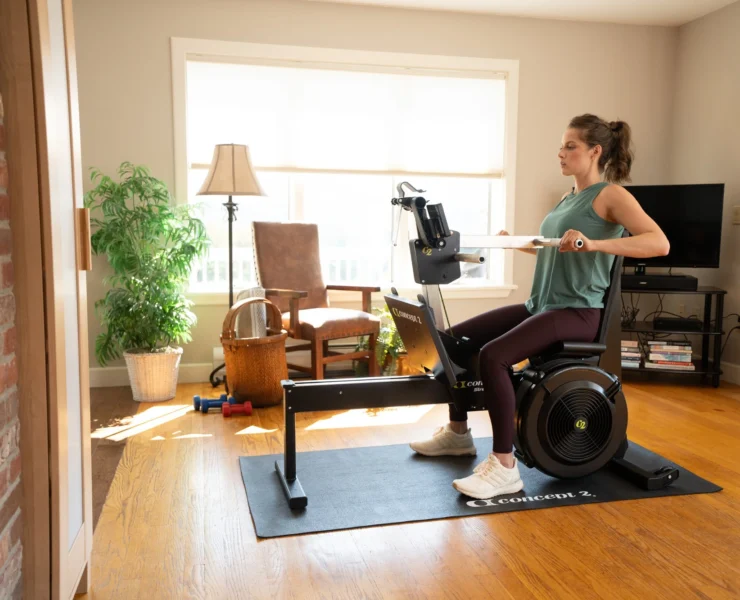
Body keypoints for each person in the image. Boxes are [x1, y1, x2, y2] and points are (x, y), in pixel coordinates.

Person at [410, 114, 670, 500]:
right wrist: (518, 244)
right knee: (452, 340)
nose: (561, 153)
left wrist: (594, 244)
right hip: (542, 306)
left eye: (571, 146)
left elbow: (658, 242)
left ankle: (504, 466)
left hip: (579, 312)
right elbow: (557, 254)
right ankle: (458, 435)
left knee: (493, 356)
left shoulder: (611, 195)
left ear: (595, 151)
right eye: (562, 145)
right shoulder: (569, 197)